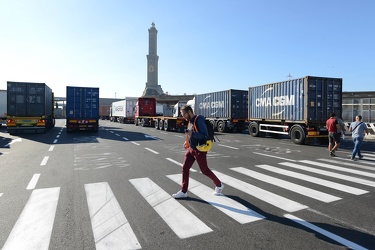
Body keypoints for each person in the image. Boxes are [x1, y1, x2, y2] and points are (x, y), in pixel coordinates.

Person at [172, 105, 224, 198]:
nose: (183, 116)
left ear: (189, 112)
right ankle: (184, 191)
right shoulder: (190, 121)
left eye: (184, 114)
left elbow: (204, 135)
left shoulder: (198, 119)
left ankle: (219, 185)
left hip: (199, 149)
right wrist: (187, 141)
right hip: (191, 149)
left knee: (204, 170)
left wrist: (192, 133)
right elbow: (190, 133)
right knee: (185, 168)